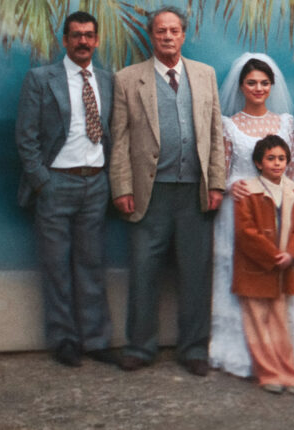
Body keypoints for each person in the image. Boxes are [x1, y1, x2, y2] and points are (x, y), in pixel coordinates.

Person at [109, 6, 226, 376]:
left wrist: (217, 182)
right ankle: (140, 348)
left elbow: (215, 133)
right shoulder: (128, 79)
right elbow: (119, 139)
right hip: (150, 192)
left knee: (196, 274)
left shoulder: (205, 75)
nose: (168, 36)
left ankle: (194, 349)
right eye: (161, 30)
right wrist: (122, 186)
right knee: (144, 271)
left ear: (184, 35)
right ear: (151, 35)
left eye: (174, 30)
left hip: (194, 192)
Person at [208, 53, 294, 380]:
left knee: (280, 276)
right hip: (240, 210)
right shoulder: (229, 125)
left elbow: (293, 172)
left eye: (264, 83)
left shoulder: (285, 123)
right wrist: (233, 187)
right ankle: (246, 355)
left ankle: (287, 358)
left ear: (272, 86)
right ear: (241, 86)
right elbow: (223, 171)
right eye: (251, 83)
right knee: (246, 281)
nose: (258, 88)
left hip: (279, 211)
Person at [15, 11, 114, 367]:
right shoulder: (41, 79)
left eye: (88, 35)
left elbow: (113, 132)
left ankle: (96, 339)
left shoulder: (107, 80)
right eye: (76, 35)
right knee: (56, 265)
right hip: (56, 183)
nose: (83, 41)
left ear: (97, 40)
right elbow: (26, 137)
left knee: (91, 264)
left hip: (96, 183)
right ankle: (64, 340)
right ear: (65, 40)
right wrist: (43, 182)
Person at [232, 135, 294, 395]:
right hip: (254, 269)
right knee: (257, 325)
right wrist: (272, 255)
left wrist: (291, 254)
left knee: (280, 324)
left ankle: (289, 373)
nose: (277, 163)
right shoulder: (248, 191)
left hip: (282, 270)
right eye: (270, 158)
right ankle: (268, 373)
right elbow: (245, 232)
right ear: (258, 162)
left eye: (281, 159)